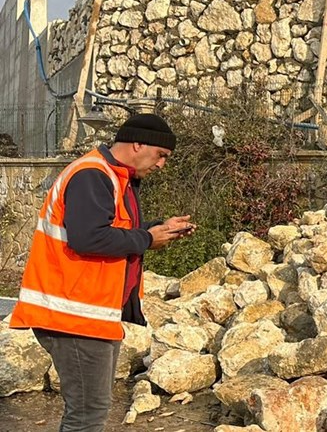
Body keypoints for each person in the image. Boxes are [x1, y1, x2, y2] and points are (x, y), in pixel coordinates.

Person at [9, 113, 194, 432]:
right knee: (87, 415)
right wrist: (148, 239)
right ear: (138, 144)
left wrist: (156, 229)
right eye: (161, 155)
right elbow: (89, 237)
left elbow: (114, 230)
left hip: (89, 315)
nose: (162, 165)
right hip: (72, 316)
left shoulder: (112, 175)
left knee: (91, 411)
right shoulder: (93, 175)